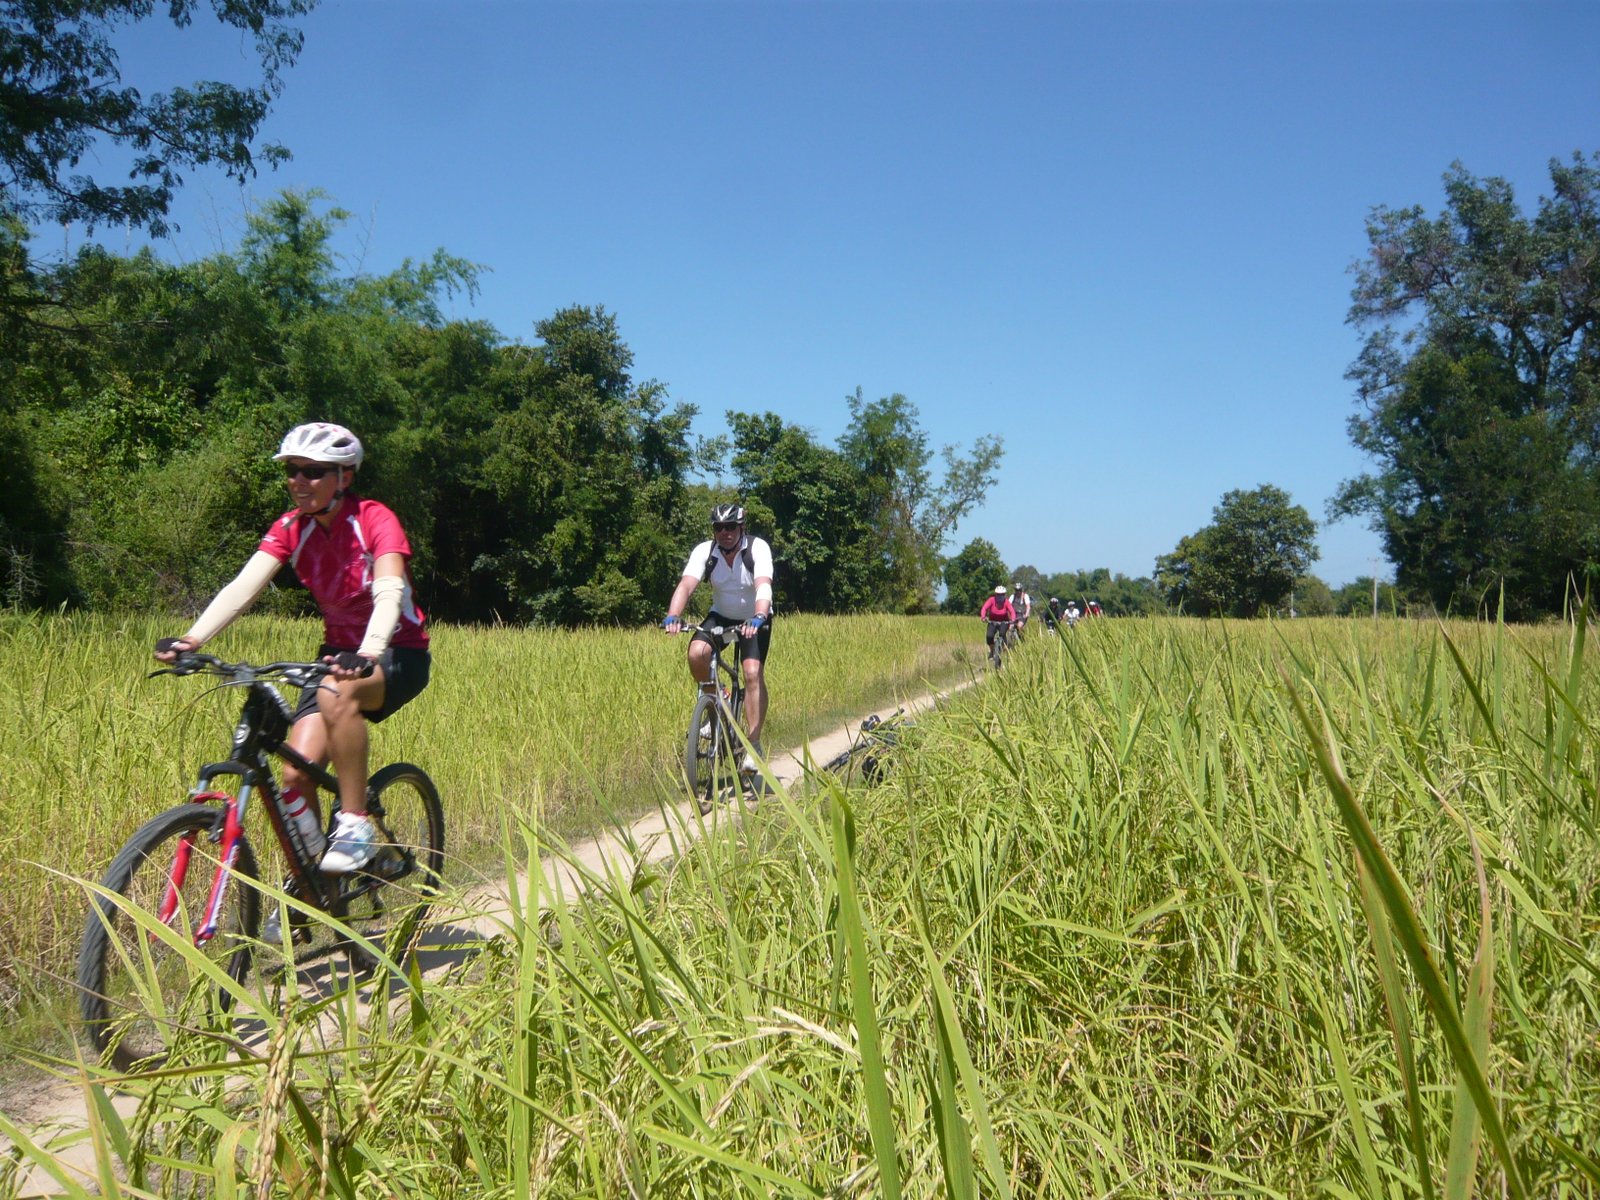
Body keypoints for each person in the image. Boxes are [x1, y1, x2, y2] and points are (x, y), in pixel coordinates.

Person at [154, 422, 431, 874]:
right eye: (292, 471)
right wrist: (193, 639)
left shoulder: (373, 519)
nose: (299, 481)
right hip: (335, 657)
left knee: (336, 694)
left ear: (344, 477)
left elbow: (388, 593)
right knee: (295, 774)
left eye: (313, 471)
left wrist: (367, 651)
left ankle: (355, 823)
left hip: (396, 651)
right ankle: (314, 889)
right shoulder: (290, 528)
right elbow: (243, 587)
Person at [661, 503, 775, 772]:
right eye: (718, 527)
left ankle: (753, 743)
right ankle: (715, 695)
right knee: (697, 652)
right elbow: (687, 584)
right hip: (721, 615)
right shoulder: (705, 551)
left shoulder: (757, 548)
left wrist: (759, 616)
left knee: (751, 673)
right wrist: (673, 615)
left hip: (754, 618)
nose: (724, 532)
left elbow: (763, 585)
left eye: (730, 527)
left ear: (741, 527)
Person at [979, 585, 1017, 655]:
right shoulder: (991, 600)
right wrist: (983, 617)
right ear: (996, 594)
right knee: (989, 636)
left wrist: (1013, 619)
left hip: (1004, 622)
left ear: (1004, 595)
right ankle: (992, 650)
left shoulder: (1006, 602)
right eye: (998, 595)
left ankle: (1003, 649)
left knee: (1002, 634)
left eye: (1002, 595)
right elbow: (984, 608)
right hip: (992, 621)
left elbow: (1012, 611)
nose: (1000, 596)